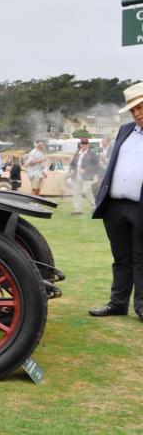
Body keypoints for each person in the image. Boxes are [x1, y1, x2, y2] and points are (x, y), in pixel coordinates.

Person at [89, 82, 143, 321]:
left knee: (141, 258)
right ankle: (118, 303)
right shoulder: (125, 130)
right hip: (115, 206)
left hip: (140, 206)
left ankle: (141, 307)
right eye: (134, 110)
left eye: (141, 107)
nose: (138, 113)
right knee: (121, 258)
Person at [69, 137, 99, 215]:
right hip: (76, 176)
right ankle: (78, 209)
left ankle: (94, 206)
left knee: (86, 191)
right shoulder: (77, 153)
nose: (84, 145)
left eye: (85, 143)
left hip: (87, 176)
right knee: (76, 193)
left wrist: (86, 170)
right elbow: (72, 164)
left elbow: (96, 165)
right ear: (80, 144)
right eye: (83, 143)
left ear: (88, 145)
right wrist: (71, 170)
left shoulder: (92, 154)